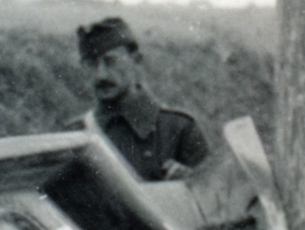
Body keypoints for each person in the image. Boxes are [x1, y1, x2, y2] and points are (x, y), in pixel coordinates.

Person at [74, 17, 209, 181]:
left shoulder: (179, 130)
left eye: (111, 61)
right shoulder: (74, 134)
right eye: (91, 64)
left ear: (136, 60)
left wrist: (188, 182)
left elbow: (215, 199)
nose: (100, 74)